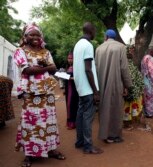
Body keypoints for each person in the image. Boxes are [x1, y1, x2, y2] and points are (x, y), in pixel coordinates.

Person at [13, 23, 65, 167]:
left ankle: (51, 149)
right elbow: (27, 71)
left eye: (37, 34)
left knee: (49, 120)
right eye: (32, 34)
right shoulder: (20, 51)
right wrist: (45, 68)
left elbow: (54, 68)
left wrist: (40, 68)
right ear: (26, 36)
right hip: (30, 92)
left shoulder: (46, 51)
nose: (35, 37)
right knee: (30, 122)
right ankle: (29, 154)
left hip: (47, 92)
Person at [95, 29, 132, 143]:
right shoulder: (121, 47)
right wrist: (128, 85)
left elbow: (95, 68)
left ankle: (105, 134)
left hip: (101, 83)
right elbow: (124, 68)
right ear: (114, 37)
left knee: (104, 108)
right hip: (115, 82)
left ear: (106, 37)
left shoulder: (98, 49)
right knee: (115, 109)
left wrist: (96, 87)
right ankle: (114, 135)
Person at [73, 22, 103, 154]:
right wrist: (95, 91)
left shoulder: (77, 45)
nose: (95, 32)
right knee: (87, 117)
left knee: (80, 115)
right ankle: (88, 146)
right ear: (91, 30)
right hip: (88, 89)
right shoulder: (88, 45)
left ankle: (80, 142)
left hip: (80, 87)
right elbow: (88, 69)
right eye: (95, 29)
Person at [123, 45, 144, 130]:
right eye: (130, 50)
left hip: (134, 90)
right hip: (129, 90)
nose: (132, 52)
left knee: (132, 106)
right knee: (127, 107)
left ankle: (131, 122)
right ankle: (127, 124)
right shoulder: (125, 64)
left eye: (132, 50)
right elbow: (128, 77)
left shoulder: (131, 63)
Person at [64, 52, 78, 130]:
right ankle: (70, 122)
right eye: (68, 58)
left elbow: (77, 78)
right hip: (68, 89)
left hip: (73, 89)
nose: (69, 60)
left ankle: (73, 123)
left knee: (72, 105)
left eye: (71, 58)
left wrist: (69, 78)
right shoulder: (69, 67)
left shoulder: (76, 67)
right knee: (68, 105)